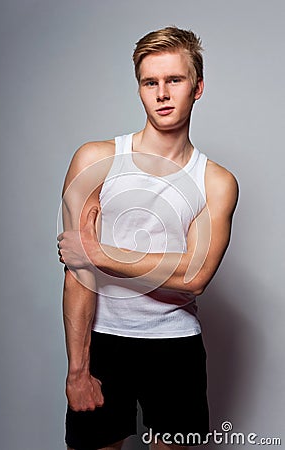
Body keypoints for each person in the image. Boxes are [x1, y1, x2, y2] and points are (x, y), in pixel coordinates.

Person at [57, 26, 239, 450]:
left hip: (175, 348)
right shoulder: (95, 159)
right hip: (103, 343)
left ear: (197, 87)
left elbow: (194, 278)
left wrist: (99, 252)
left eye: (174, 80)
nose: (161, 93)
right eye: (150, 82)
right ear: (139, 88)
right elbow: (77, 275)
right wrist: (77, 371)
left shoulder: (216, 182)